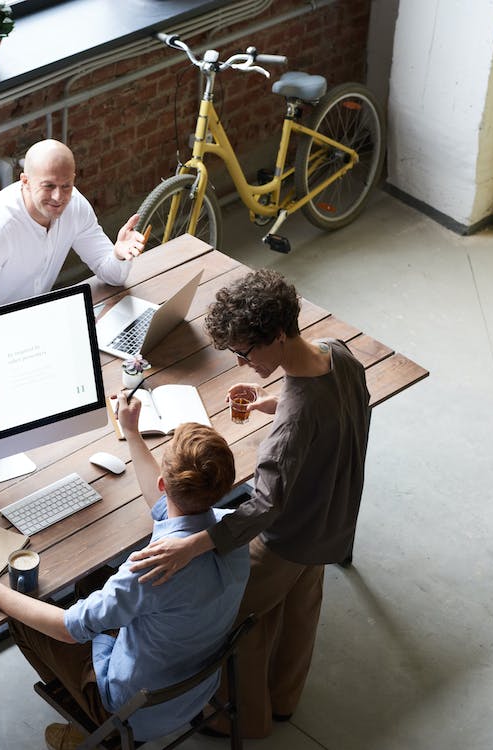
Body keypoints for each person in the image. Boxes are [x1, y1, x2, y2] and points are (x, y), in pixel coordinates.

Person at [128, 268, 373, 738]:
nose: (241, 363)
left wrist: (193, 545)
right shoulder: (338, 355)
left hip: (289, 537)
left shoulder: (291, 427)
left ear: (277, 336)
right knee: (301, 613)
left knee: (239, 618)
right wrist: (270, 402)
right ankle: (283, 702)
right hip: (333, 519)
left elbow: (263, 506)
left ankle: (240, 718)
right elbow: (329, 407)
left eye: (244, 351)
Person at [0, 396, 249, 750]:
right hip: (194, 688)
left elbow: (67, 629)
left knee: (19, 617)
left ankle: (89, 726)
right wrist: (132, 433)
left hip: (137, 712)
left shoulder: (148, 569)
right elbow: (164, 509)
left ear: (163, 484)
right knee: (95, 580)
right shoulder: (234, 531)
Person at [0, 139, 147, 320]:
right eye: (48, 186)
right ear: (26, 182)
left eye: (66, 186)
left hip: (33, 320)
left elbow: (113, 276)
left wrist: (119, 255)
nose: (58, 197)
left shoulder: (75, 206)